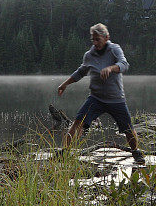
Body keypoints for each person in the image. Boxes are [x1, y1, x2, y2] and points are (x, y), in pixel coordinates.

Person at [56, 23, 145, 164]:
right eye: (93, 39)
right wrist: (64, 84)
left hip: (116, 99)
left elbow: (124, 64)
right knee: (78, 123)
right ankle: (65, 152)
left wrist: (111, 68)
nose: (95, 42)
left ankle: (136, 152)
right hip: (96, 98)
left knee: (128, 128)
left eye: (98, 39)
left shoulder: (114, 49)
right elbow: (80, 72)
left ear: (106, 37)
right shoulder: (89, 55)